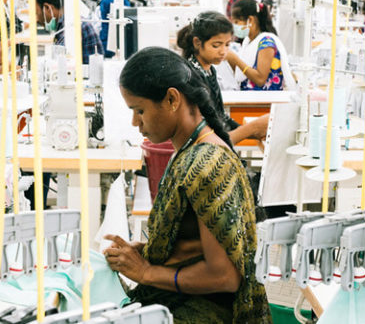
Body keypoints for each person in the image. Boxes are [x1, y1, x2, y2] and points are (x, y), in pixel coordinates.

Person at [105, 47, 272, 323]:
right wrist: (148, 253)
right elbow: (194, 243)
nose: (135, 122)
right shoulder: (190, 151)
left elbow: (225, 276)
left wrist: (147, 272)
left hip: (205, 313)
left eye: (139, 110)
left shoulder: (207, 164)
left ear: (172, 99)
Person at [177, 11, 271, 143]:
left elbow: (220, 117)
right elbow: (208, 138)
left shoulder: (209, 71)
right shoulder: (193, 77)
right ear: (197, 42)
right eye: (216, 45)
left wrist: (255, 132)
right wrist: (252, 128)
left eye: (227, 45)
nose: (223, 51)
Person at [225, 0, 294, 91]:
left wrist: (235, 60)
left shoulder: (266, 43)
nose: (234, 26)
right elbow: (243, 73)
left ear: (250, 20)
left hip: (265, 100)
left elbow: (260, 79)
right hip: (251, 98)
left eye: (237, 22)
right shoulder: (248, 42)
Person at [35, 0, 102, 64]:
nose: (36, 19)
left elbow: (65, 65)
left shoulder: (73, 28)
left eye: (36, 13)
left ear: (48, 8)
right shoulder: (64, 26)